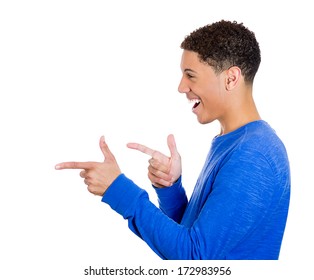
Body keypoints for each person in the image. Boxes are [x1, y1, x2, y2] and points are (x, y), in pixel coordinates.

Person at [55, 20, 290, 260]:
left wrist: (118, 189)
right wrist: (171, 188)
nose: (181, 87)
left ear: (231, 78)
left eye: (190, 75)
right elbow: (193, 236)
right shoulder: (232, 142)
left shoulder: (253, 155)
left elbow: (193, 258)